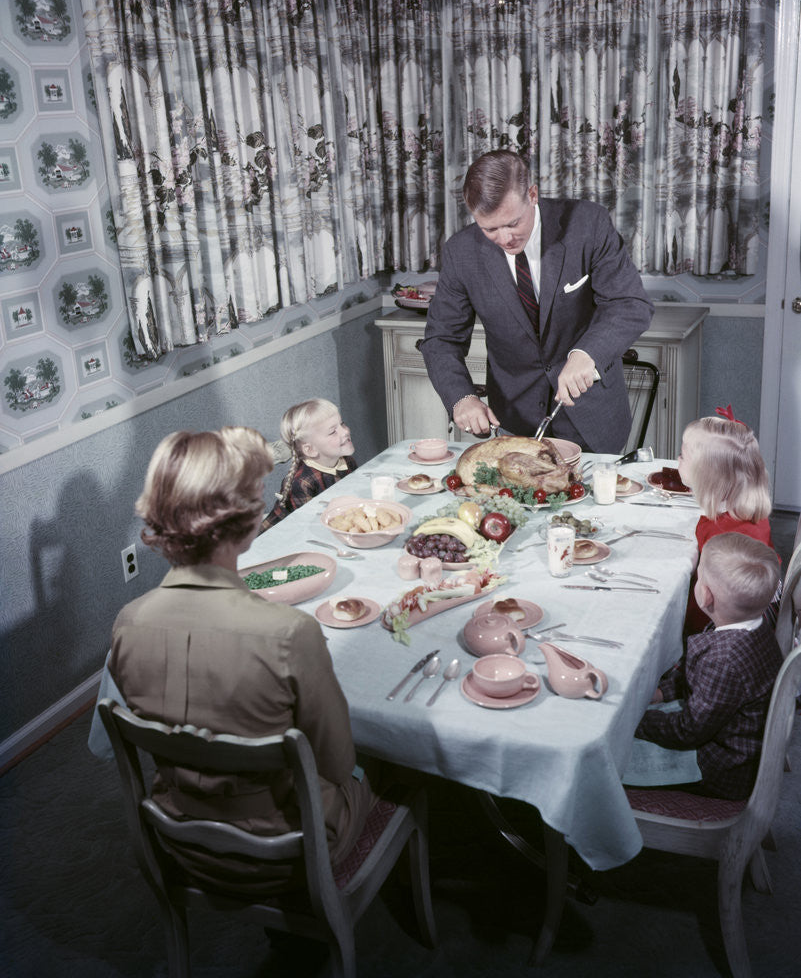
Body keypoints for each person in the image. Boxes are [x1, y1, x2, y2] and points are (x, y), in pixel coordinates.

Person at [109, 426, 376, 892]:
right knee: (384, 771)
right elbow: (336, 763)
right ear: (247, 520)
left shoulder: (127, 623)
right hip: (291, 845)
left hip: (178, 834)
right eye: (259, 497)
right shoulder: (289, 632)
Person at [419, 149, 654, 452]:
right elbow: (441, 339)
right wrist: (461, 398)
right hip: (514, 419)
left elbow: (630, 303)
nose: (505, 239)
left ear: (532, 195)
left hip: (593, 419)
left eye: (513, 223)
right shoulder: (460, 252)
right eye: (490, 229)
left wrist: (587, 353)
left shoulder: (586, 223)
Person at [635, 532, 783, 800]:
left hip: (720, 767)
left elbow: (687, 731)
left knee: (615, 756)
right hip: (726, 735)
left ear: (705, 596)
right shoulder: (750, 625)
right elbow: (696, 681)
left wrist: (633, 720)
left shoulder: (724, 660)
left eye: (698, 576)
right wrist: (663, 693)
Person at [677, 411, 777, 634]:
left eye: (682, 456)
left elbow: (710, 608)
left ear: (706, 476)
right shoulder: (744, 508)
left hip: (722, 625)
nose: (678, 460)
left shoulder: (724, 538)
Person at [262, 398, 356, 530]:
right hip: (285, 535)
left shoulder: (346, 460)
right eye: (333, 431)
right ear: (310, 449)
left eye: (342, 424)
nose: (345, 431)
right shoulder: (302, 482)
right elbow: (310, 528)